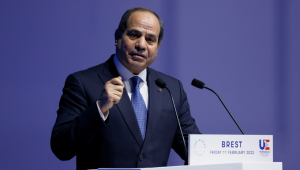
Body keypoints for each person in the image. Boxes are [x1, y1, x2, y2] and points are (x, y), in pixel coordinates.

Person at [51, 7, 200, 170]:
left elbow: (197, 152)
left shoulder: (171, 88)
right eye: (134, 35)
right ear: (117, 37)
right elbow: (61, 147)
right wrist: (99, 109)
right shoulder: (82, 82)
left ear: (158, 47)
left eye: (150, 39)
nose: (141, 44)